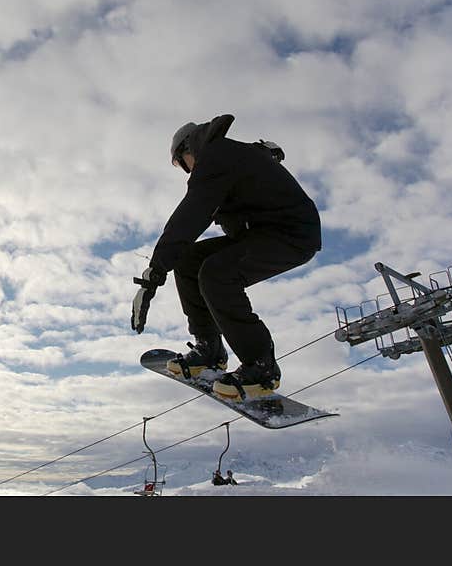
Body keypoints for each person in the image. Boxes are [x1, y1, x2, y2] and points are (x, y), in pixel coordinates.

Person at [131, 114, 321, 400]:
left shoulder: (216, 156)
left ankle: (261, 366)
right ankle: (209, 349)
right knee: (189, 260)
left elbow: (193, 213)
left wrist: (154, 273)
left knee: (218, 273)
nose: (184, 171)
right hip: (263, 232)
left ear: (186, 151)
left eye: (178, 164)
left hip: (290, 234)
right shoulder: (227, 156)